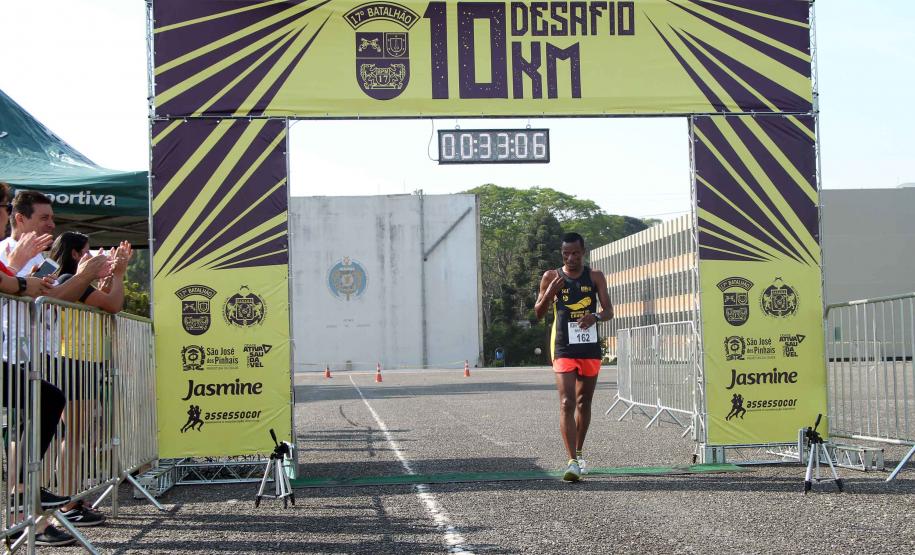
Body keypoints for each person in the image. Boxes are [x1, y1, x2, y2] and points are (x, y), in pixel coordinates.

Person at [0, 186, 110, 546]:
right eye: (44, 217)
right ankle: (26, 513)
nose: (52, 224)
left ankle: (35, 517)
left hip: (38, 356)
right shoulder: (7, 251)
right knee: (34, 428)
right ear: (20, 219)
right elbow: (48, 295)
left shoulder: (38, 257)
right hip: (14, 356)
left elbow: (49, 297)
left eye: (52, 217)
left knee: (40, 433)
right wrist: (83, 276)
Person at [46, 231, 132, 526]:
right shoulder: (69, 281)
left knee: (77, 435)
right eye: (87, 251)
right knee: (73, 436)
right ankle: (67, 504)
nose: (92, 255)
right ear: (74, 254)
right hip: (73, 361)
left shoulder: (75, 283)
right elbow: (113, 304)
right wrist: (118, 274)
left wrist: (109, 279)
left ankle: (71, 499)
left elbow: (104, 301)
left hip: (81, 360)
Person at [534, 232, 613, 482]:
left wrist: (595, 317)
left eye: (575, 253)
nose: (570, 258)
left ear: (583, 252)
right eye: (566, 254)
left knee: (583, 402)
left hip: (589, 347)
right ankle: (571, 462)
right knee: (567, 402)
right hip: (563, 347)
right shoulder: (551, 276)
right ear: (561, 254)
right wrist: (550, 293)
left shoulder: (596, 276)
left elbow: (609, 311)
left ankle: (579, 452)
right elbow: (538, 312)